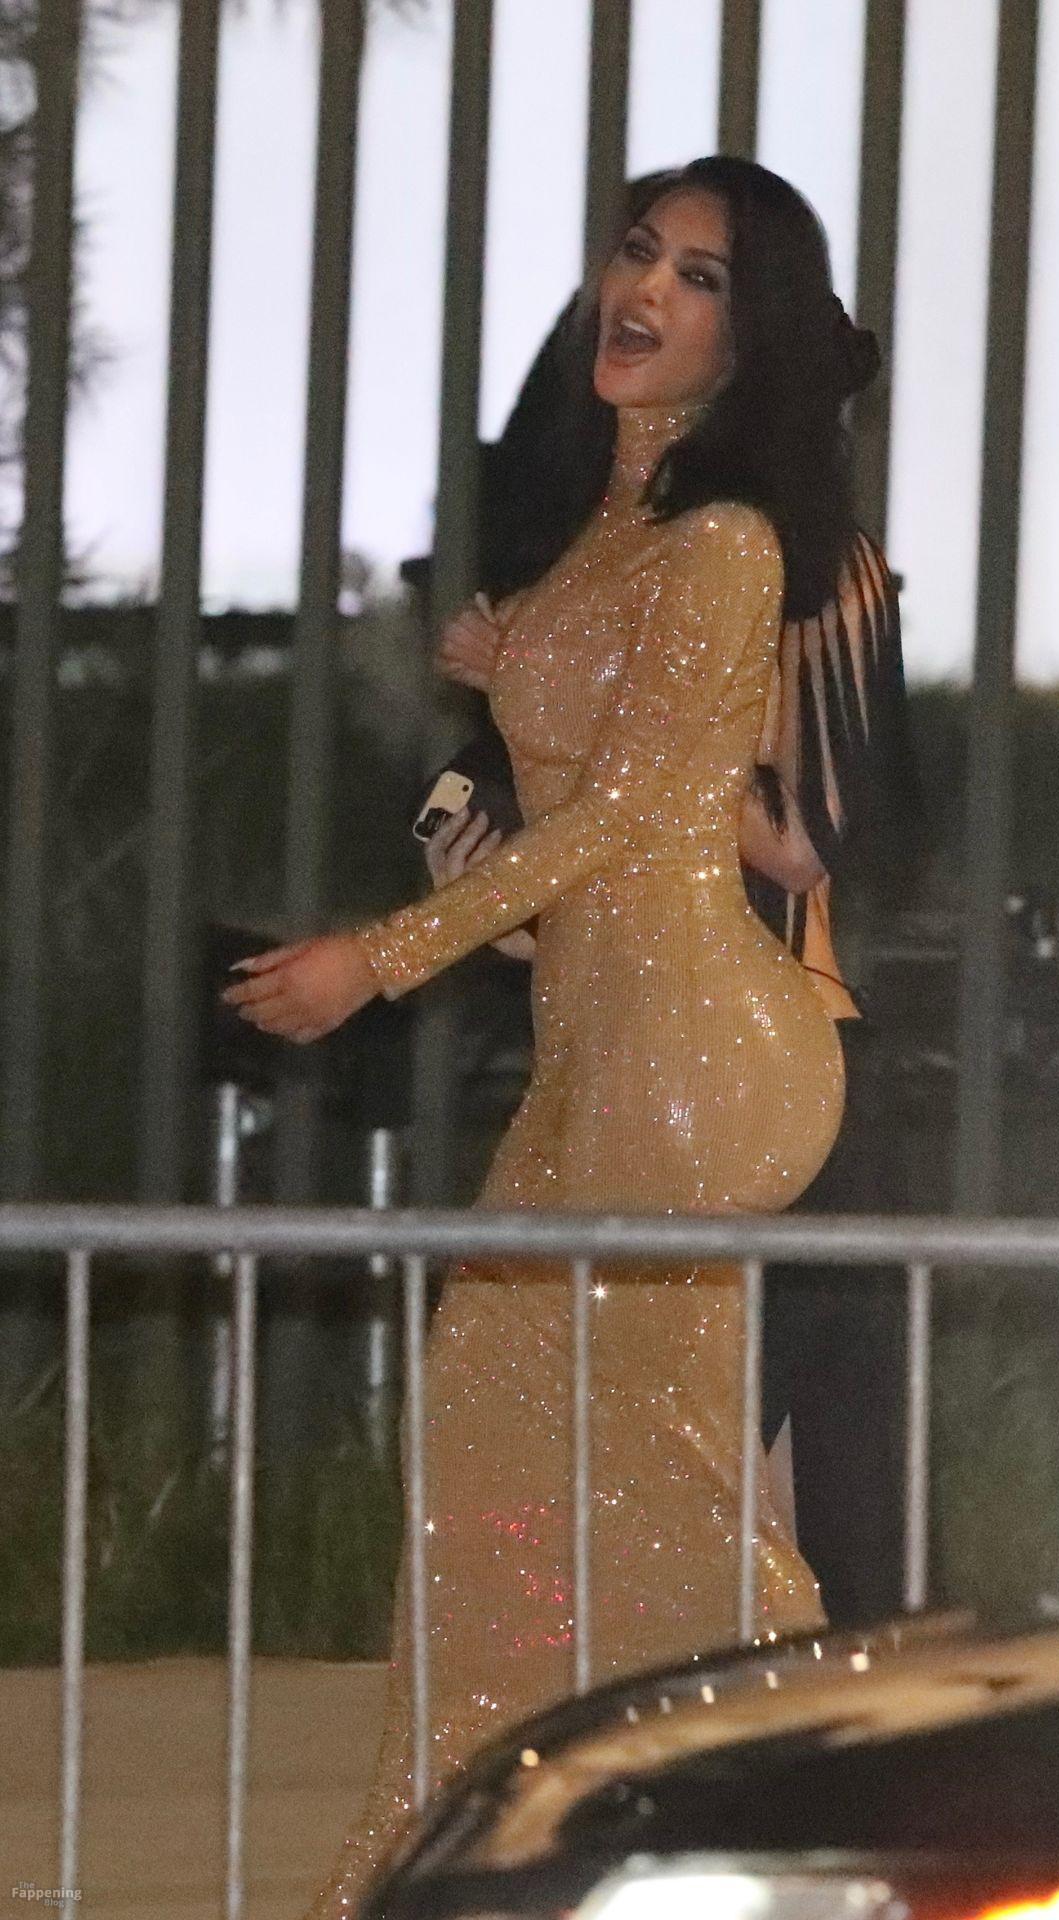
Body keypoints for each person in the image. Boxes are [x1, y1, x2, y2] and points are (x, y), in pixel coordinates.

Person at [225, 157, 878, 1917]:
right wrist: (505, 656)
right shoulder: (617, 529)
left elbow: (636, 817)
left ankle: (842, 1829)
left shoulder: (727, 543)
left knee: (663, 1504)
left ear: (752, 337)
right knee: (510, 1475)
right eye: (637, 252)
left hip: (699, 1061)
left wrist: (381, 959)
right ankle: (492, 1865)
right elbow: (588, 759)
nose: (644, 290)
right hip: (606, 1054)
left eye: (701, 277)